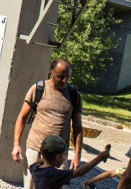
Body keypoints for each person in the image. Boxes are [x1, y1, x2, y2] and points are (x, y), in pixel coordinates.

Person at [12, 58, 84, 189]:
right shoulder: (38, 88)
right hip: (35, 149)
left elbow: (78, 128)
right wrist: (16, 144)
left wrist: (77, 155)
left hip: (59, 155)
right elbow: (22, 117)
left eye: (67, 76)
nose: (64, 81)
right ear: (51, 72)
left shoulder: (74, 95)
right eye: (60, 76)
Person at [30, 135, 110, 189]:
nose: (65, 158)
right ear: (58, 157)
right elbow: (79, 172)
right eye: (64, 155)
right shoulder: (54, 174)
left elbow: (39, 161)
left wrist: (46, 155)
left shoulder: (35, 168)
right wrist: (99, 158)